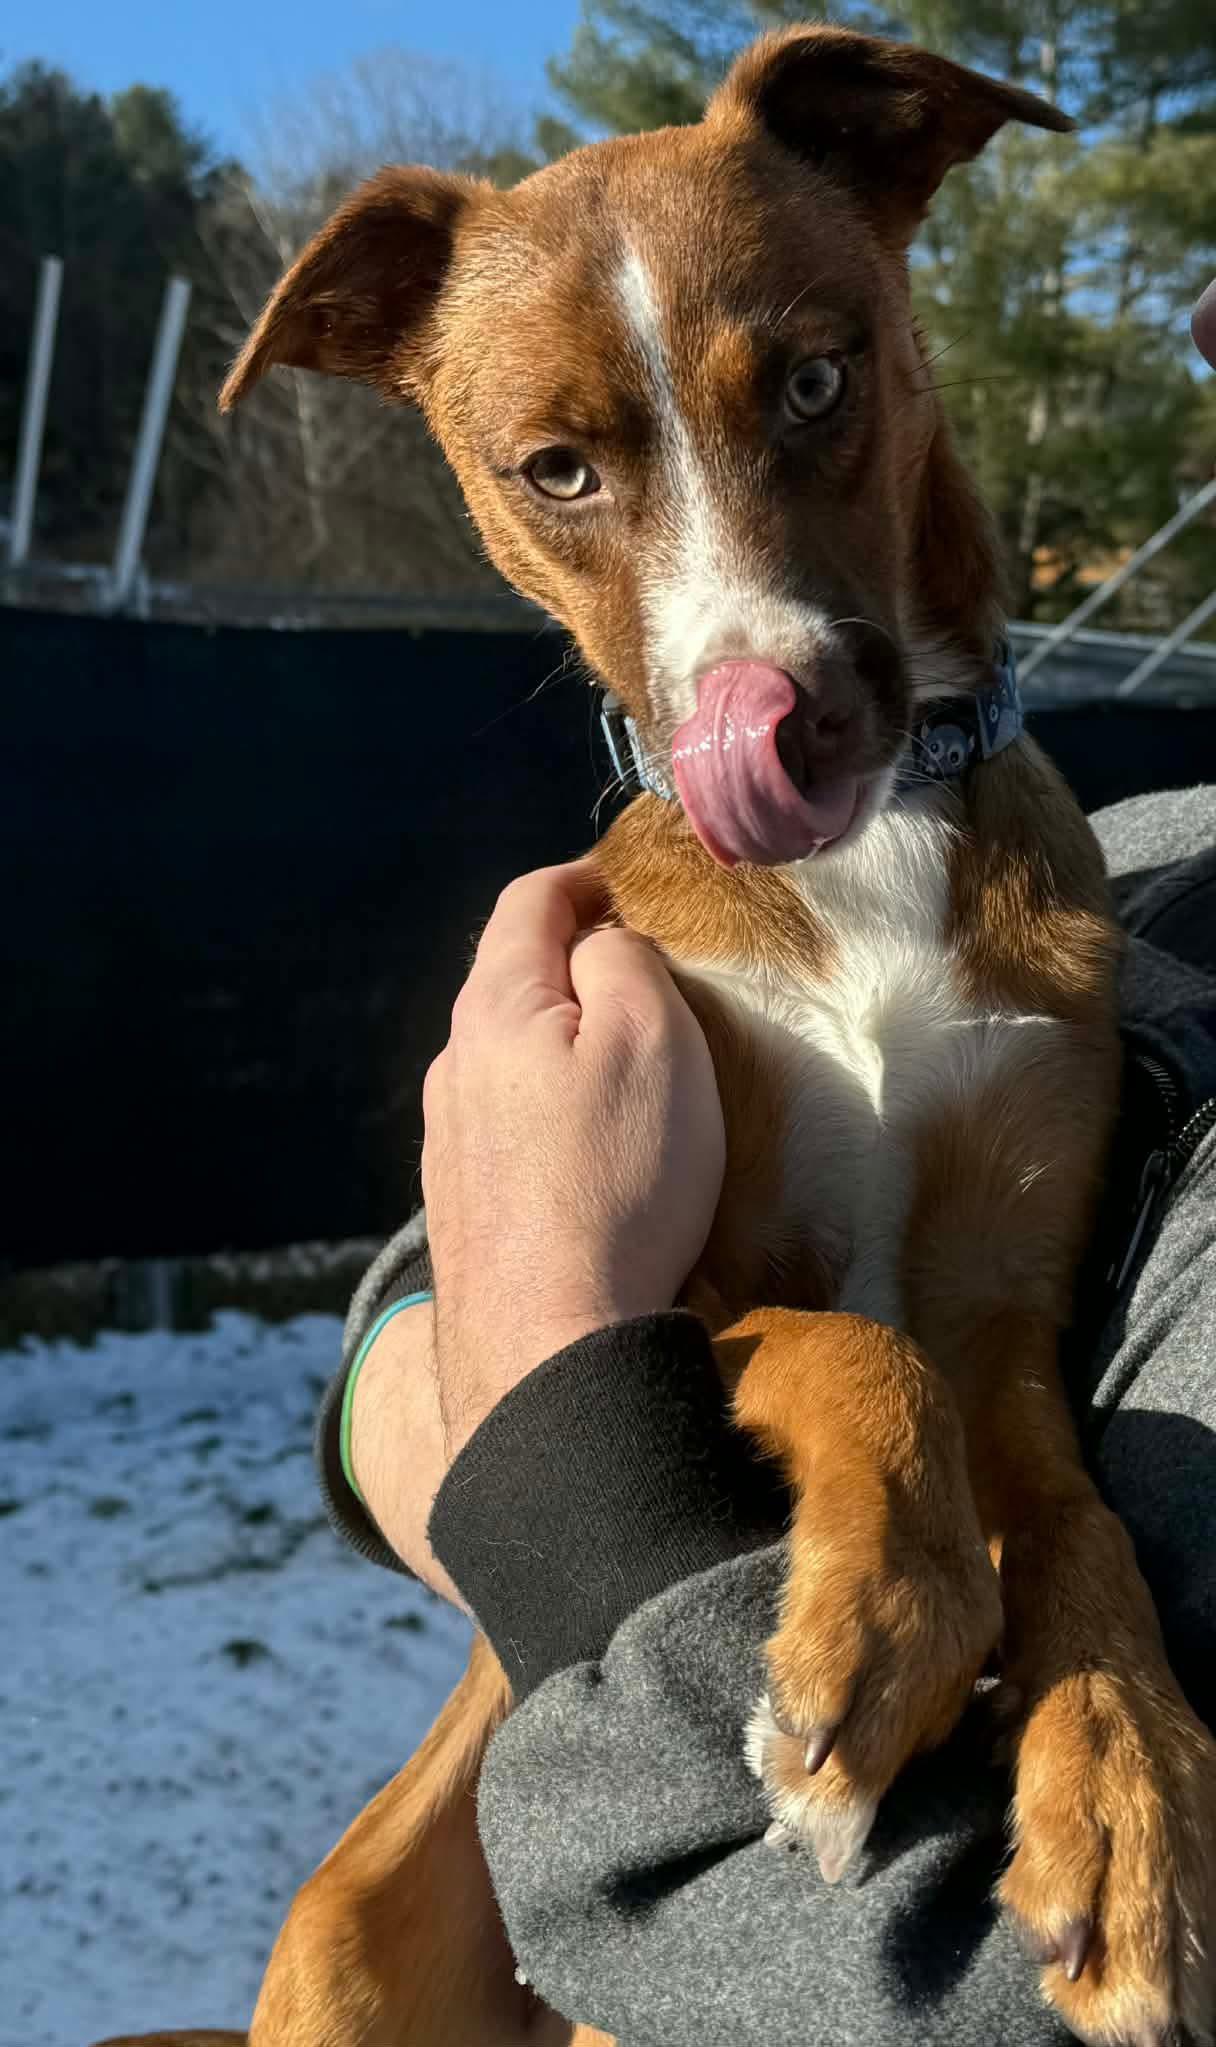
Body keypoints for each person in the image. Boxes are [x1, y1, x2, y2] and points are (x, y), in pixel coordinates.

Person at [312, 306, 1216, 2044]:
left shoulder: (1073, 910)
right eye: (564, 469)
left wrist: (557, 1396)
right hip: (471, 1916)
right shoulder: (1152, 863)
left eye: (813, 391)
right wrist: (424, 1376)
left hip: (700, 1883)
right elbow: (441, 1284)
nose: (736, 597)